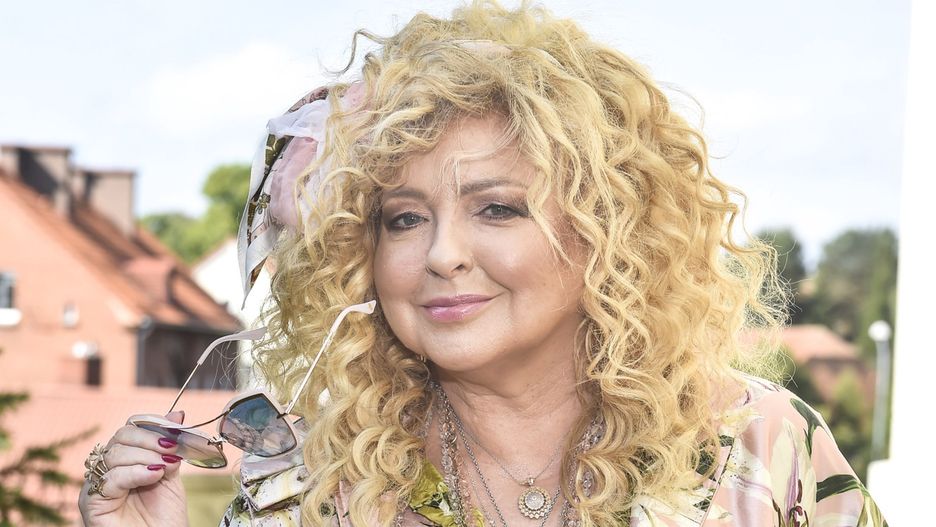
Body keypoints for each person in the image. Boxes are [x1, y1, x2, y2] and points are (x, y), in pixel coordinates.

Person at [78, 2, 887, 526]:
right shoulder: (310, 490)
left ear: (605, 229)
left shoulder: (758, 447)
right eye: (403, 218)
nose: (442, 254)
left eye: (497, 207)